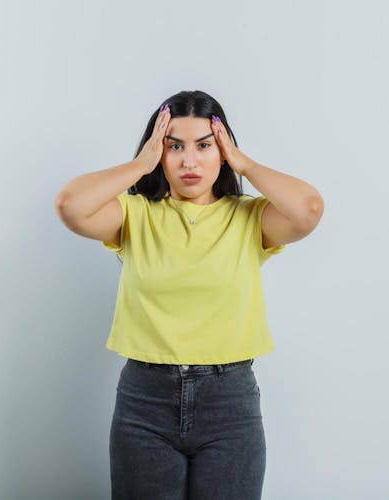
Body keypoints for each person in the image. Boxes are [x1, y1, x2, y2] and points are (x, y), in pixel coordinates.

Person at [54, 90, 324, 499]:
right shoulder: (136, 214)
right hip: (145, 402)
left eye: (204, 146)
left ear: (223, 150)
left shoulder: (249, 218)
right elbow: (71, 205)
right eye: (174, 146)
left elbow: (308, 209)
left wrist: (245, 164)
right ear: (159, 152)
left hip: (229, 403)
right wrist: (140, 164)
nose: (189, 161)